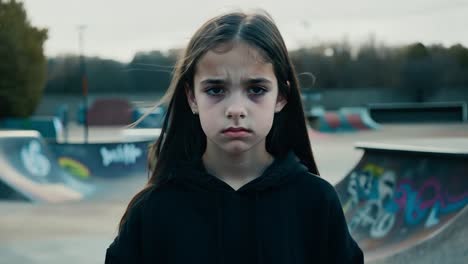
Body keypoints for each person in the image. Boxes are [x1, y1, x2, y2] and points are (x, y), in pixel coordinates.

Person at [105, 9, 363, 264]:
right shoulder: (153, 211)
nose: (236, 109)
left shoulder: (316, 202)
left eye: (256, 89)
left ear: (281, 97)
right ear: (192, 97)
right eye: (216, 89)